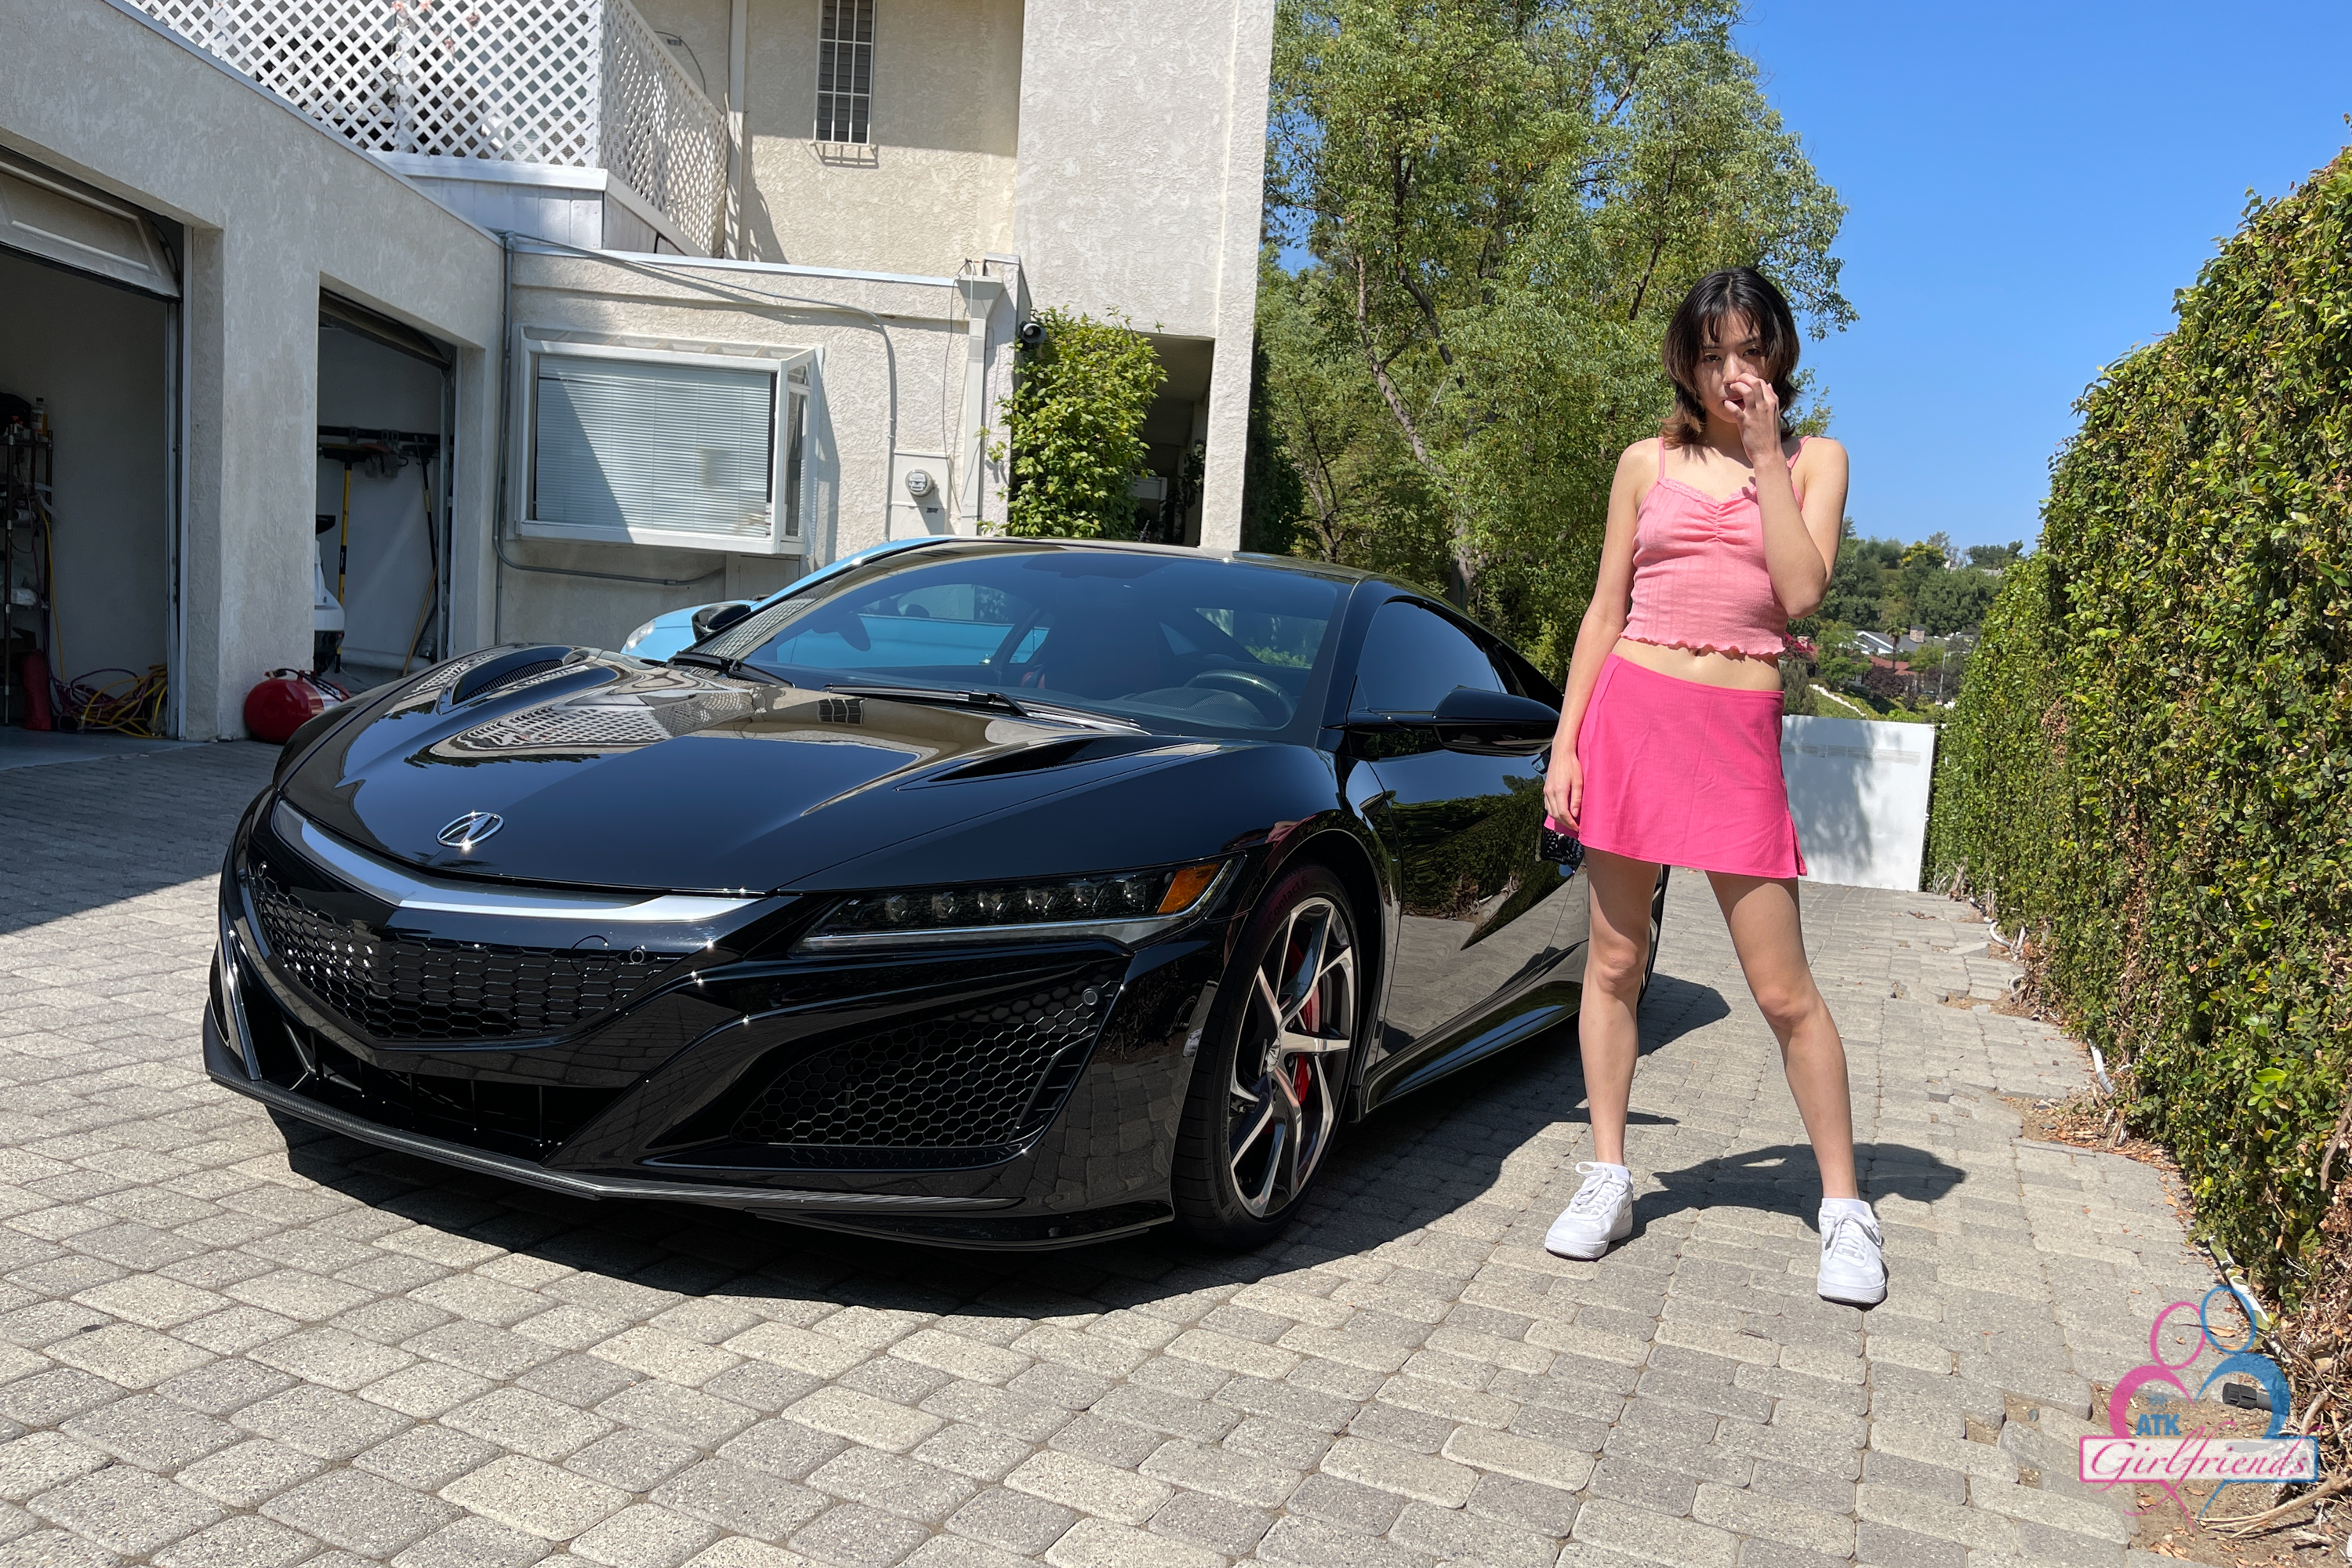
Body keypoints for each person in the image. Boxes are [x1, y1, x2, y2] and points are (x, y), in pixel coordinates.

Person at [1539, 266, 1885, 1306]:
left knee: (1782, 990)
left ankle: (1845, 1208)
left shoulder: (1817, 460)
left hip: (1735, 734)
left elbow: (1801, 590)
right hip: (1631, 717)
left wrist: (1768, 455)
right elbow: (1605, 611)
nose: (1732, 370)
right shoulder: (1643, 462)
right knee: (1615, 962)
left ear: (1779, 355)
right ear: (1685, 366)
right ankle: (1610, 1175)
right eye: (1711, 353)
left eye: (1750, 350)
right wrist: (1566, 743)